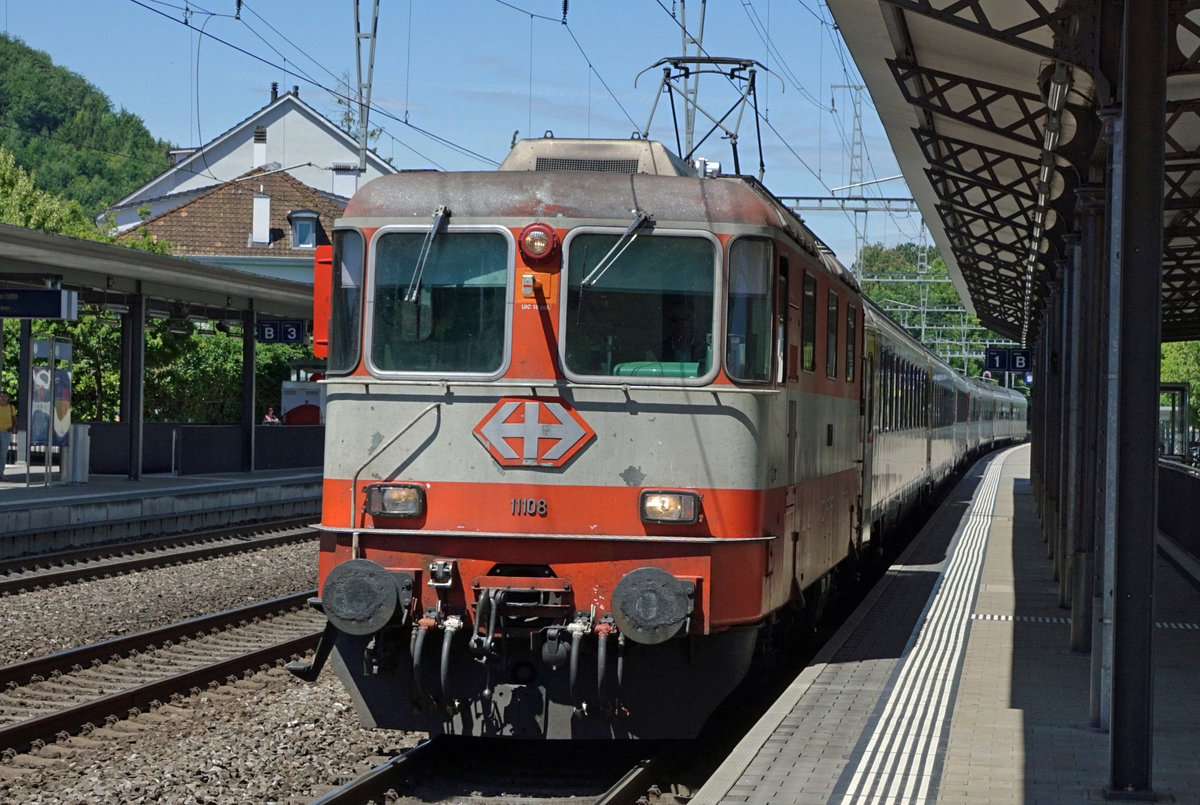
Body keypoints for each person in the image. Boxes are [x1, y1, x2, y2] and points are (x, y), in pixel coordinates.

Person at [0, 391, 15, 481]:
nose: (3, 398)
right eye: (1, 396)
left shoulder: (11, 407)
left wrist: (12, 427)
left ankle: (1, 473)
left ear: (8, 397)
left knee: (3, 453)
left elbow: (14, 419)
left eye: (5, 396)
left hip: (5, 431)